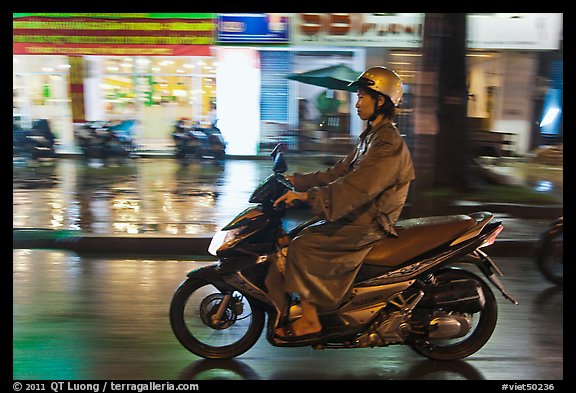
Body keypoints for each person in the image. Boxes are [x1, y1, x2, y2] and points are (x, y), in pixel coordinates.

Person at [273, 66, 415, 340]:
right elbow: (337, 173)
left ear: (381, 101)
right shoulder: (371, 138)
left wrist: (306, 197)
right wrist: (296, 181)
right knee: (297, 234)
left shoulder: (387, 143)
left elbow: (356, 188)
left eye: (363, 97)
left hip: (370, 223)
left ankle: (311, 320)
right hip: (359, 216)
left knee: (303, 245)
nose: (357, 102)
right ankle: (305, 305)